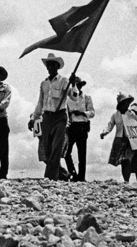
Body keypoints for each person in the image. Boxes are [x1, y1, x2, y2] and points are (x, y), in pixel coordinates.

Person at [28, 53, 78, 181]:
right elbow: (40, 102)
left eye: (52, 64)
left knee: (57, 147)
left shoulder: (64, 81)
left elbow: (74, 96)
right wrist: (34, 118)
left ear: (57, 66)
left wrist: (73, 85)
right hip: (47, 117)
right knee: (48, 150)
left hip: (60, 117)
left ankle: (50, 178)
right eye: (48, 64)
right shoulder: (44, 83)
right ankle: (64, 175)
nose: (50, 66)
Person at [65, 76, 95, 182]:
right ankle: (73, 174)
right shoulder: (68, 99)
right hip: (72, 126)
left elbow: (92, 113)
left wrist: (82, 113)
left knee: (82, 154)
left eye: (78, 85)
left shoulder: (87, 97)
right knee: (66, 152)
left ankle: (81, 177)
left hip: (82, 126)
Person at [100, 93, 134, 182]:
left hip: (129, 140)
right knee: (122, 160)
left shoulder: (131, 114)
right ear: (121, 104)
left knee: (127, 159)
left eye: (127, 102)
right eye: (125, 102)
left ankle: (127, 179)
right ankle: (126, 180)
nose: (127, 104)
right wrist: (104, 133)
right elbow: (110, 125)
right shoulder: (115, 115)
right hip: (119, 139)